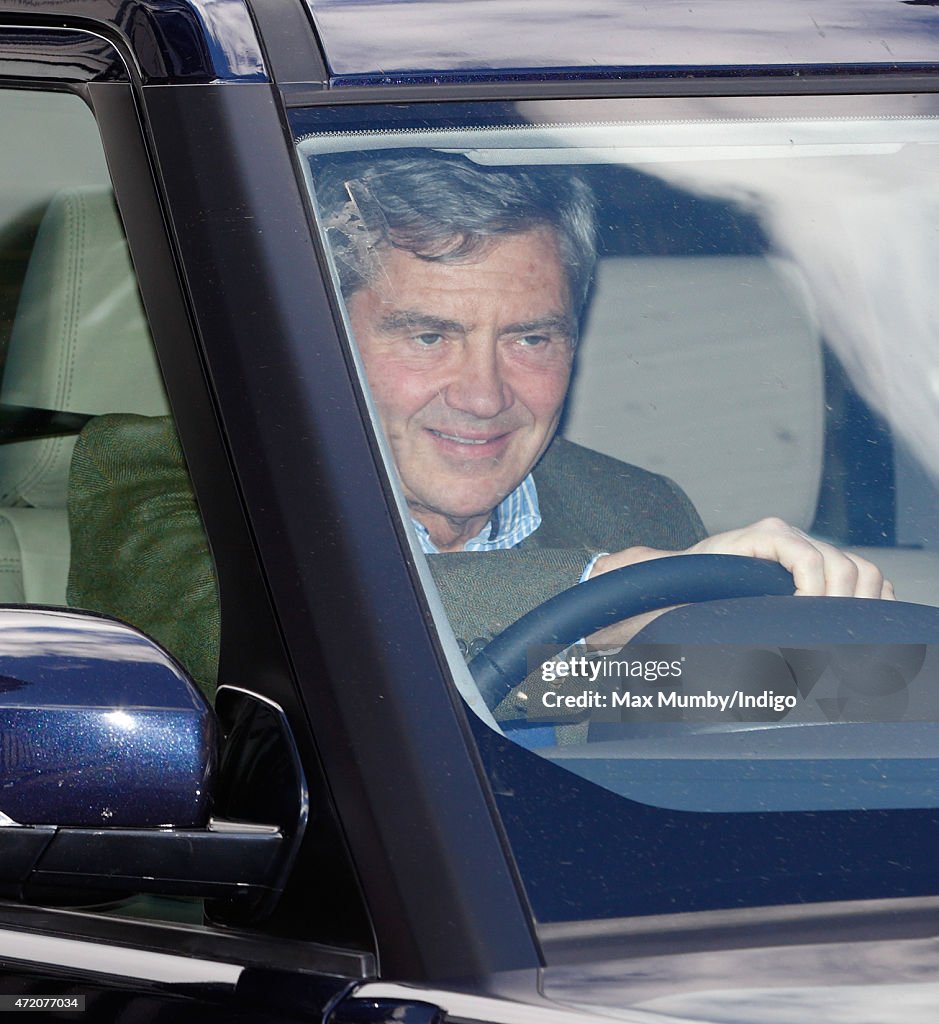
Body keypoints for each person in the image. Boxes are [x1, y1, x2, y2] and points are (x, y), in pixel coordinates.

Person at [313, 152, 893, 657]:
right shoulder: (244, 517)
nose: (484, 397)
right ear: (323, 336)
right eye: (429, 338)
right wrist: (614, 594)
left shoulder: (639, 508)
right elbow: (329, 625)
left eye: (531, 340)